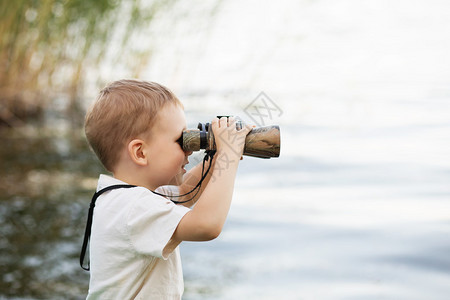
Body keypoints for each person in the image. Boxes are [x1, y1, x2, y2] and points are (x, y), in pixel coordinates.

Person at [82, 79, 251, 299]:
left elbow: (184, 193)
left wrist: (219, 155)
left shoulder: (124, 197)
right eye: (181, 140)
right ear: (141, 152)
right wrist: (228, 154)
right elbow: (206, 225)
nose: (189, 150)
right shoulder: (134, 207)